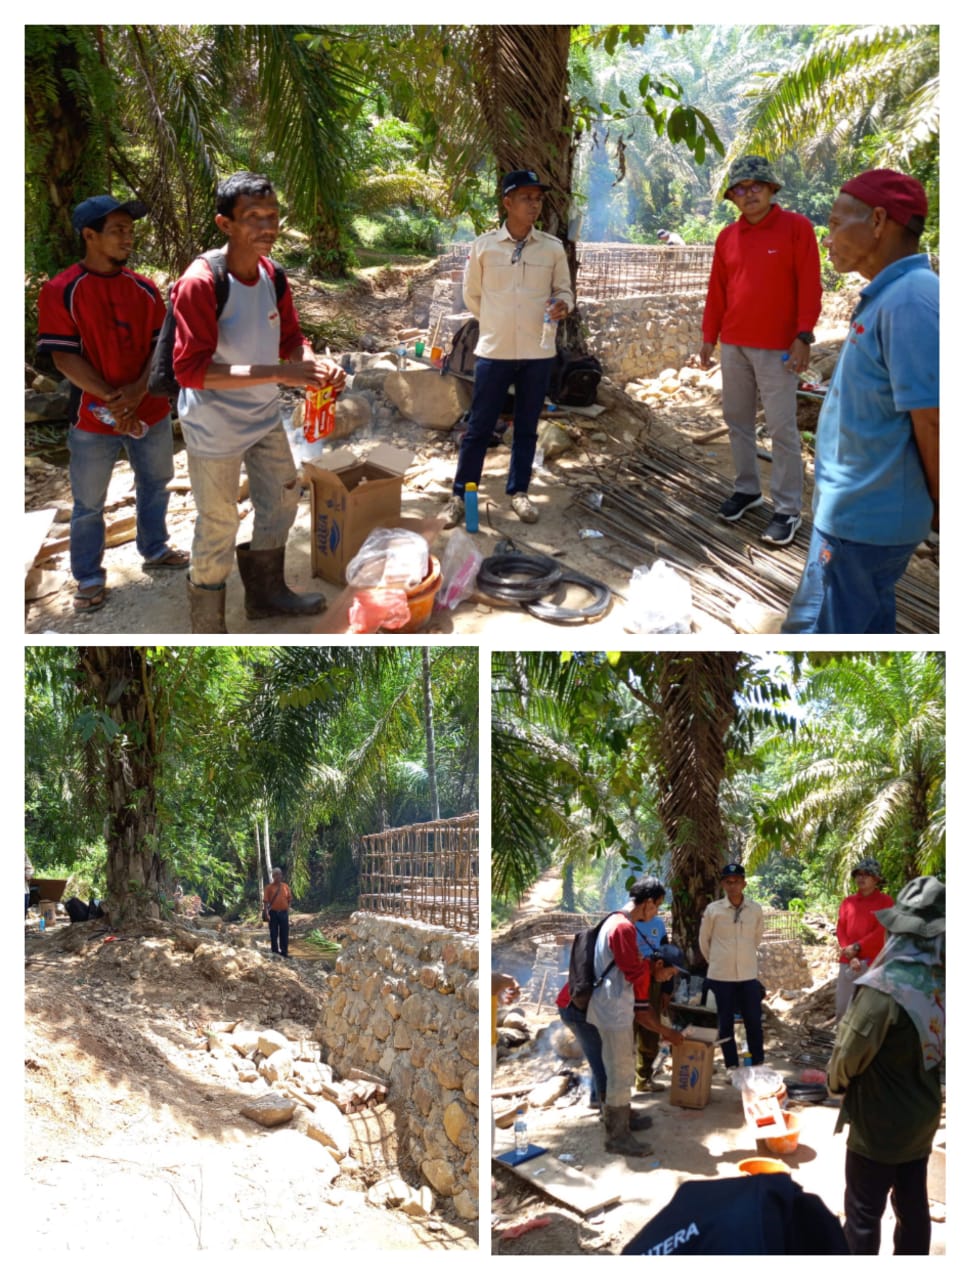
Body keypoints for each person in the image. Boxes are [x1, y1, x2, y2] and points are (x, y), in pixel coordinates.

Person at [170, 171, 345, 632]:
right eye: (253, 218)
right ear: (225, 224)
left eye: (273, 216)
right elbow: (190, 370)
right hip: (214, 426)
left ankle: (265, 596)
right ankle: (206, 626)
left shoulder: (272, 275)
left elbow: (291, 337)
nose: (267, 227)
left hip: (263, 415)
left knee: (283, 502)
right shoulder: (201, 283)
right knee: (218, 525)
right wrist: (282, 373)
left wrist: (312, 366)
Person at [783, 170, 938, 634]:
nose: (827, 238)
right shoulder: (891, 295)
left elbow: (933, 419)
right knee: (866, 624)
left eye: (834, 223)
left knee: (817, 633)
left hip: (864, 521)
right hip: (858, 514)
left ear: (876, 221)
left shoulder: (911, 301)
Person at [36, 194, 189, 614]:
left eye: (130, 229)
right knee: (88, 503)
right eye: (118, 230)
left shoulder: (143, 288)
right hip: (93, 416)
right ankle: (88, 576)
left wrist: (138, 392)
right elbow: (64, 356)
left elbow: (162, 347)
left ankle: (155, 548)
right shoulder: (61, 290)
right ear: (90, 235)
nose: (128, 238)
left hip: (150, 409)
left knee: (156, 482)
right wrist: (111, 397)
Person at [700, 156, 822, 547]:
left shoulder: (796, 228)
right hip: (734, 343)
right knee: (736, 419)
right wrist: (708, 336)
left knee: (782, 428)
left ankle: (787, 509)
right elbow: (717, 291)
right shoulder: (727, 237)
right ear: (732, 197)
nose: (748, 194)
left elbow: (810, 285)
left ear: (771, 189)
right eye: (740, 188)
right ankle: (748, 489)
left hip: (778, 349)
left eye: (756, 186)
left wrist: (803, 336)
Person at [442, 169, 573, 528]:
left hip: (538, 354)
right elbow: (473, 295)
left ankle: (519, 492)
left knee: (527, 427)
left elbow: (564, 291)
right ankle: (460, 494)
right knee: (480, 426)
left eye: (538, 198)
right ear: (507, 202)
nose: (534, 204)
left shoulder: (552, 247)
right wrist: (499, 323)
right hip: (494, 351)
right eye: (526, 197)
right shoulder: (484, 246)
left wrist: (563, 304)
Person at [828, 875, 945, 1254]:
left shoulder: (884, 988)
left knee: (863, 1214)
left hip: (876, 1125)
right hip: (922, 1120)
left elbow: (847, 1057)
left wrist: (835, 1086)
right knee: (913, 1210)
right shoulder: (946, 985)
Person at [587, 879, 686, 1156]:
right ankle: (617, 1137)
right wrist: (650, 969)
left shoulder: (615, 922)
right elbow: (632, 972)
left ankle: (622, 1120)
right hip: (614, 1010)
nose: (655, 914)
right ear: (648, 902)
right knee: (620, 1073)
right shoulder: (622, 927)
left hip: (614, 1007)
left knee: (618, 1069)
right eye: (657, 907)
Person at [698, 862, 765, 1069]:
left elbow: (757, 938)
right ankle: (732, 1065)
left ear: (744, 883)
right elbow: (704, 941)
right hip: (721, 977)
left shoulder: (755, 910)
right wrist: (719, 961)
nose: (733, 886)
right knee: (725, 1023)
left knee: (753, 1021)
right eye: (728, 882)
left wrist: (741, 957)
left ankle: (757, 1064)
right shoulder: (713, 910)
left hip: (747, 976)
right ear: (723, 884)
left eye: (736, 882)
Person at [835, 859, 894, 1020]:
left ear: (876, 879)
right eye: (858, 875)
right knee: (843, 1008)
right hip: (848, 961)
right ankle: (842, 1043)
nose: (861, 878)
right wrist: (851, 953)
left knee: (870, 1012)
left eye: (866, 875)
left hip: (874, 962)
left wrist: (858, 946)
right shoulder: (848, 902)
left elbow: (881, 930)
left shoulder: (886, 902)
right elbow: (841, 928)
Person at [632, 876, 672, 1093]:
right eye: (656, 904)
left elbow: (665, 953)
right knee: (627, 1029)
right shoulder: (626, 923)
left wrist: (666, 988)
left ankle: (643, 1078)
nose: (657, 910)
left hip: (653, 982)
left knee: (650, 1031)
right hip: (631, 982)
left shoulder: (658, 924)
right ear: (646, 902)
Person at [262, 866, 292, 959]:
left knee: (284, 932)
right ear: (273, 876)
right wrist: (266, 913)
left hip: (283, 913)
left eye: (280, 874)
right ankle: (275, 951)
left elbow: (289, 899)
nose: (279, 876)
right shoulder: (269, 887)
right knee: (274, 933)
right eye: (276, 875)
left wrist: (287, 909)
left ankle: (284, 952)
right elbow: (266, 901)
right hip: (273, 913)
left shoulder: (285, 886)